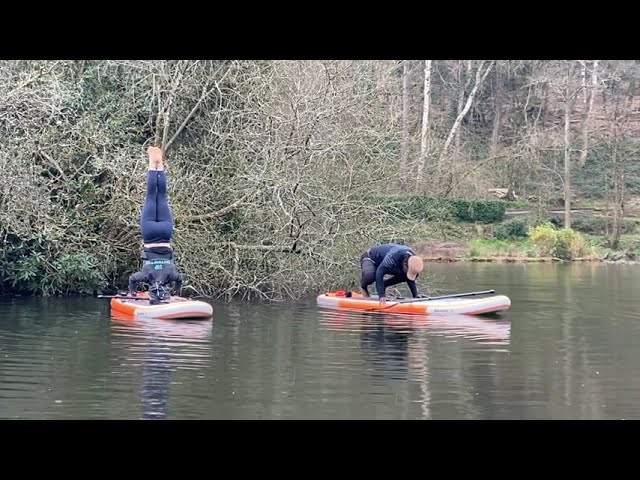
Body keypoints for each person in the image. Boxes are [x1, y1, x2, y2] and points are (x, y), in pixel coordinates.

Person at [127, 146, 183, 305]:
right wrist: (133, 291)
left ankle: (160, 166)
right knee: (152, 196)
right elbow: (132, 279)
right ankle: (153, 164)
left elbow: (180, 280)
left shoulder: (171, 273)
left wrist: (177, 292)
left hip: (165, 234)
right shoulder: (146, 274)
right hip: (150, 235)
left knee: (162, 197)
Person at [360, 243, 424, 303]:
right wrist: (381, 295)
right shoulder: (392, 257)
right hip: (370, 257)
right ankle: (363, 287)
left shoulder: (414, 260)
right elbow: (379, 273)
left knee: (405, 276)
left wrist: (416, 295)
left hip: (388, 262)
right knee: (370, 276)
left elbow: (410, 280)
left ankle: (385, 284)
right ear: (405, 265)